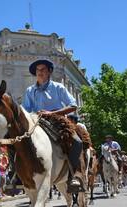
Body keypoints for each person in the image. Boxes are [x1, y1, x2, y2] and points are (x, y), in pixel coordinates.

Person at [22, 59, 84, 191]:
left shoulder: (58, 87)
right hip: (36, 122)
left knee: (77, 141)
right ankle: (18, 174)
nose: (40, 72)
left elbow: (73, 105)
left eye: (43, 69)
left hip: (57, 121)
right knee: (17, 142)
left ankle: (76, 175)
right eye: (38, 70)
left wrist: (52, 113)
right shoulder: (29, 90)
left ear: (49, 71)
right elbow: (25, 109)